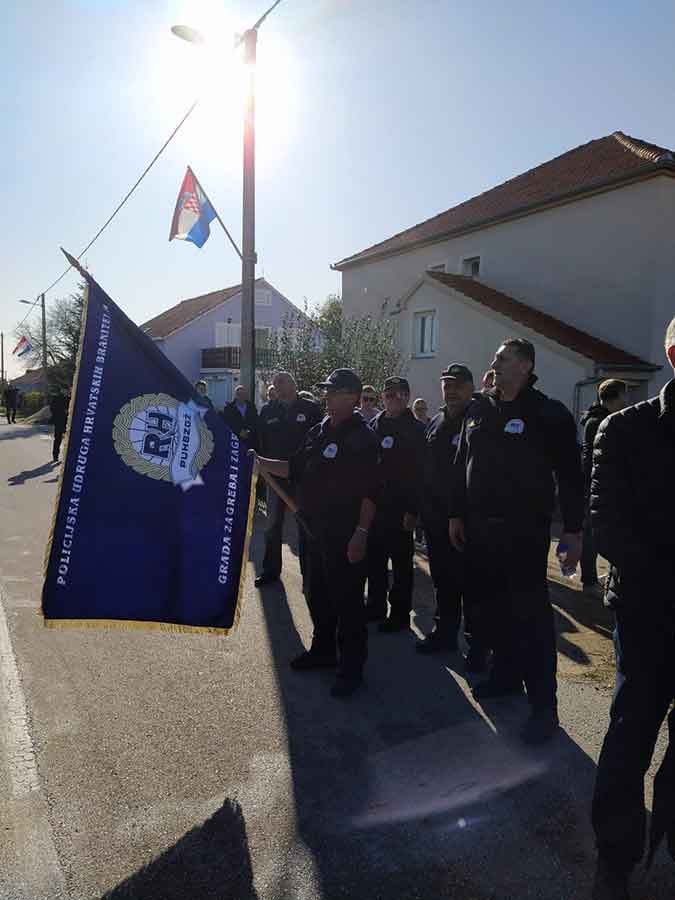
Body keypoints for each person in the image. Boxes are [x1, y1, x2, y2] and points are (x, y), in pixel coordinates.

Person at [449, 338, 584, 744]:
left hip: (523, 533)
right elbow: (462, 463)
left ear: (526, 366)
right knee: (492, 612)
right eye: (495, 357)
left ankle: (544, 709)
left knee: (531, 622)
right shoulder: (479, 410)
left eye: (503, 358)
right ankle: (506, 677)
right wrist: (456, 513)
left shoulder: (548, 413)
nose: (495, 363)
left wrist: (573, 531)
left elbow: (571, 477)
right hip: (480, 531)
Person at [589, 318, 675, 900]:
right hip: (649, 615)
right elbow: (608, 526)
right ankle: (615, 858)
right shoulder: (624, 429)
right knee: (631, 735)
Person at [253, 369, 380, 697]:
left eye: (334, 392)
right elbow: (293, 468)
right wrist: (260, 461)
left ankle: (351, 668)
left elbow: (371, 493)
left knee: (347, 602)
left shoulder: (362, 438)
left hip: (345, 533)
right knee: (316, 593)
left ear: (352, 397)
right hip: (312, 529)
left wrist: (361, 532)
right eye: (326, 391)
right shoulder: (319, 430)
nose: (327, 396)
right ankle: (323, 650)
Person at [417, 364, 488, 670]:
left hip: (467, 521)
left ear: (471, 388)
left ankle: (477, 646)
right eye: (447, 385)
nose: (451, 391)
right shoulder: (435, 422)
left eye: (458, 385)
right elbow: (424, 470)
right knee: (443, 581)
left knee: (472, 586)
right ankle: (444, 633)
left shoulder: (480, 420)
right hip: (435, 519)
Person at [366, 376, 427, 632]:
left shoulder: (416, 430)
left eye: (400, 394)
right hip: (375, 508)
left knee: (401, 565)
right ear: (383, 397)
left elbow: (420, 474)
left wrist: (413, 510)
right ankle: (376, 606)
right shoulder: (374, 425)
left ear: (407, 397)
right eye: (389, 394)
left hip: (401, 509)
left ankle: (400, 615)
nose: (394, 398)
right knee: (375, 561)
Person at [255, 371, 322, 587]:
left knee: (305, 527)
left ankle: (308, 575)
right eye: (275, 383)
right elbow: (261, 442)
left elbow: (319, 443)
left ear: (293, 384)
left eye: (281, 382)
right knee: (272, 527)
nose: (277, 386)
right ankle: (270, 571)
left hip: (302, 479)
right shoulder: (268, 411)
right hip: (275, 478)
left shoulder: (310, 409)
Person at [579, 379, 628, 596]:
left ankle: (597, 577)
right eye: (624, 395)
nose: (626, 401)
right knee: (591, 534)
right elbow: (595, 457)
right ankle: (589, 581)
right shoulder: (600, 422)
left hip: (598, 483)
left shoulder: (598, 419)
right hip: (596, 484)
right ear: (616, 396)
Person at [221, 385, 259, 450]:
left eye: (243, 394)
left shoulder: (251, 407)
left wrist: (249, 431)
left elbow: (255, 421)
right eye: (239, 394)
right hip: (235, 440)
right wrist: (238, 431)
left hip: (250, 440)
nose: (241, 396)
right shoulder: (229, 408)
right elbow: (227, 423)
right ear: (236, 395)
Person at [49, 390, 70, 462]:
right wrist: (62, 411)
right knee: (58, 439)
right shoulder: (57, 398)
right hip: (59, 421)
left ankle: (66, 457)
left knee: (68, 440)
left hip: (68, 422)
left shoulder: (72, 398)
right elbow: (52, 408)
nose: (67, 392)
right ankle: (55, 456)